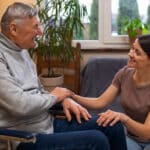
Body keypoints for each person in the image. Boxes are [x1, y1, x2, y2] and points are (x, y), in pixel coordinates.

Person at [0, 1, 127, 150]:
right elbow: (19, 105)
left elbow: (38, 92)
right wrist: (54, 97)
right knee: (96, 141)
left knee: (113, 125)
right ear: (14, 29)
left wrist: (62, 100)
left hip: (46, 124)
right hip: (22, 137)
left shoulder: (22, 50)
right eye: (35, 26)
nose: (40, 32)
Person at [71, 34, 150, 150]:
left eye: (137, 52)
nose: (130, 54)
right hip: (132, 138)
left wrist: (123, 118)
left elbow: (146, 132)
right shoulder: (124, 74)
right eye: (132, 48)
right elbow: (100, 102)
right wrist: (72, 96)